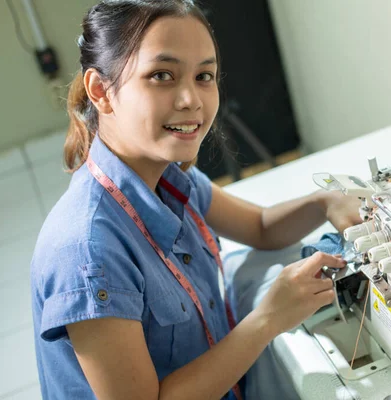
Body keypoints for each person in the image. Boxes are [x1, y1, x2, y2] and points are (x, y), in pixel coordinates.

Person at [30, 1, 362, 399]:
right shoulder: (87, 252)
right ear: (102, 91)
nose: (191, 99)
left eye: (205, 75)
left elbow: (259, 228)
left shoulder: (164, 174)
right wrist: (268, 319)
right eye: (162, 75)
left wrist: (324, 202)